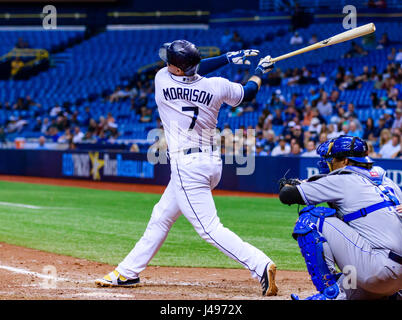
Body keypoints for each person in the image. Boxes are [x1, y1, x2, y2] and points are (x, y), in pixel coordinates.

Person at [95, 40, 278, 296]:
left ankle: (260, 264)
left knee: (209, 229)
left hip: (187, 166)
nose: (166, 64)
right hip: (212, 163)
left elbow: (191, 69)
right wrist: (259, 71)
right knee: (162, 216)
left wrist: (226, 57)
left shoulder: (162, 80)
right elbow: (248, 92)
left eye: (171, 62)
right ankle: (127, 272)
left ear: (178, 69)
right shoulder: (217, 86)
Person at [279, 135, 402, 300]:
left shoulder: (342, 180)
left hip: (378, 272)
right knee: (348, 222)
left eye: (332, 159)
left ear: (345, 162)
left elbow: (287, 195)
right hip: (395, 277)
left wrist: (292, 183)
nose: (327, 162)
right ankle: (357, 294)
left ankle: (330, 291)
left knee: (311, 218)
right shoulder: (388, 183)